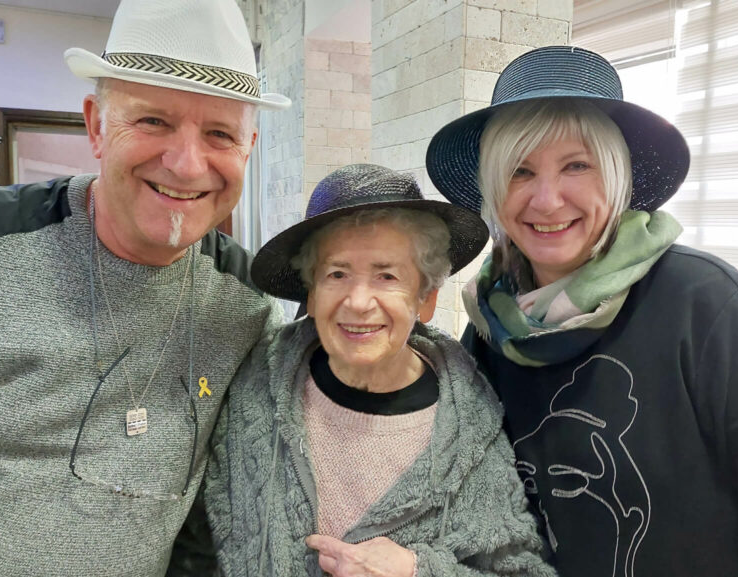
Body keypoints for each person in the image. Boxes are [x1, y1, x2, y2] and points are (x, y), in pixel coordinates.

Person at [425, 46, 738, 577]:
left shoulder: (707, 305)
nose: (547, 200)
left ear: (617, 178)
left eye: (577, 165)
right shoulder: (490, 331)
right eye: (521, 172)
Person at [0, 1, 289, 575]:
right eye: (153, 121)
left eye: (219, 134)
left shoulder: (248, 307)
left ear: (248, 150)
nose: (187, 165)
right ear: (95, 125)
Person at [195, 164, 557, 577]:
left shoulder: (470, 432)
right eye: (337, 274)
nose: (359, 301)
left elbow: (523, 571)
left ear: (425, 300)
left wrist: (419, 572)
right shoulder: (254, 391)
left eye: (386, 275)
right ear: (311, 296)